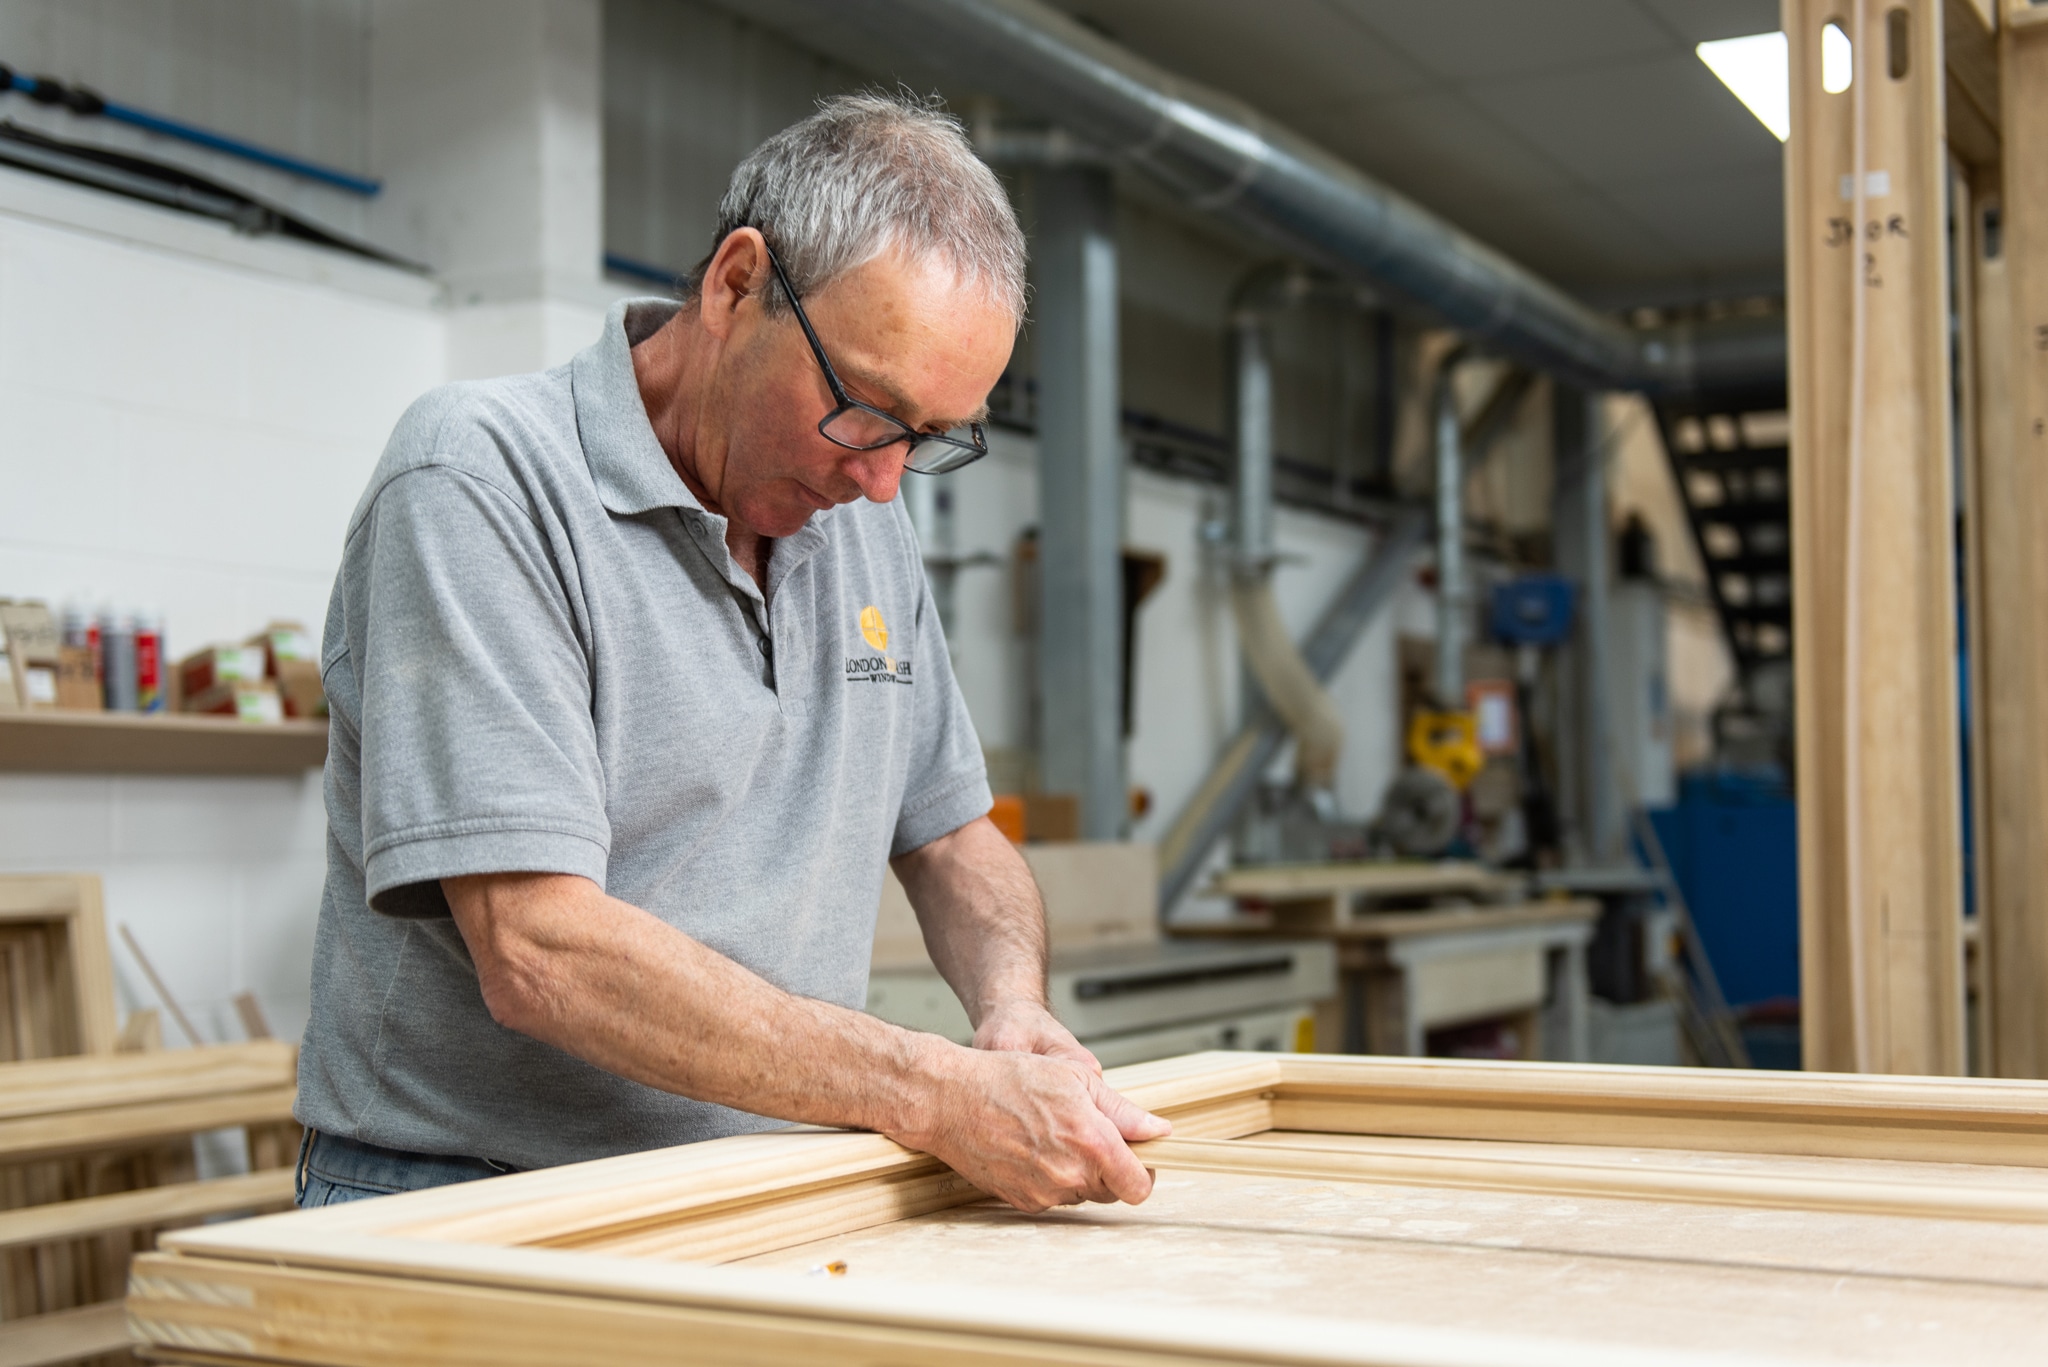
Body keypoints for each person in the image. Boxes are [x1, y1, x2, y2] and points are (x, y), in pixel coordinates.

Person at [292, 92, 1169, 1214]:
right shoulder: (479, 478)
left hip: (756, 1186)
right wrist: (933, 1087)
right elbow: (538, 946)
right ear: (737, 283)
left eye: (929, 438)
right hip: (474, 1192)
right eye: (865, 407)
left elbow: (951, 837)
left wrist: (1010, 1003)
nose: (884, 477)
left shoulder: (863, 520)